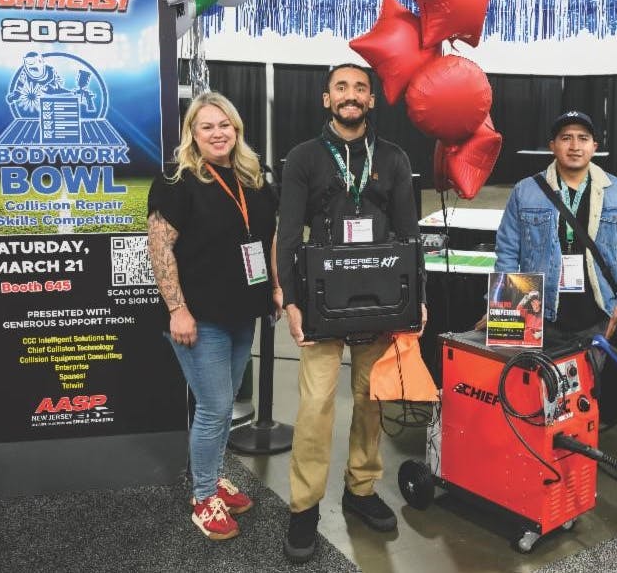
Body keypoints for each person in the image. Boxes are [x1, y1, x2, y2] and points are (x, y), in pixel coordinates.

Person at [275, 63, 425, 564]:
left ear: (371, 100)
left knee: (369, 399)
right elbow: (287, 233)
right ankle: (304, 507)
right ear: (327, 98)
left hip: (380, 299)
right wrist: (291, 300)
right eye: (341, 87)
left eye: (360, 88)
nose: (351, 95)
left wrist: (417, 298)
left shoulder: (393, 157)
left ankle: (360, 490)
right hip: (321, 302)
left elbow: (409, 235)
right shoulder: (303, 158)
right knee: (316, 405)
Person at [147, 92, 279, 540]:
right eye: (207, 126)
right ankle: (203, 496)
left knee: (223, 408)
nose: (218, 133)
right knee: (215, 407)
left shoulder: (254, 179)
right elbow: (159, 247)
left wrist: (275, 287)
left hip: (243, 311)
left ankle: (214, 477)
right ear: (193, 133)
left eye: (225, 125)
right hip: (199, 317)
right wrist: (177, 309)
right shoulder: (177, 181)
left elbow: (268, 239)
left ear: (236, 129)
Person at [494, 110, 617, 351]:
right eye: (566, 138)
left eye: (583, 138)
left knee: (588, 376)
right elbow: (507, 252)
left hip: (599, 314)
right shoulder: (525, 191)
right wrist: (505, 307)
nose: (575, 146)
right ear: (552, 146)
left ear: (594, 146)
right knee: (535, 376)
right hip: (538, 317)